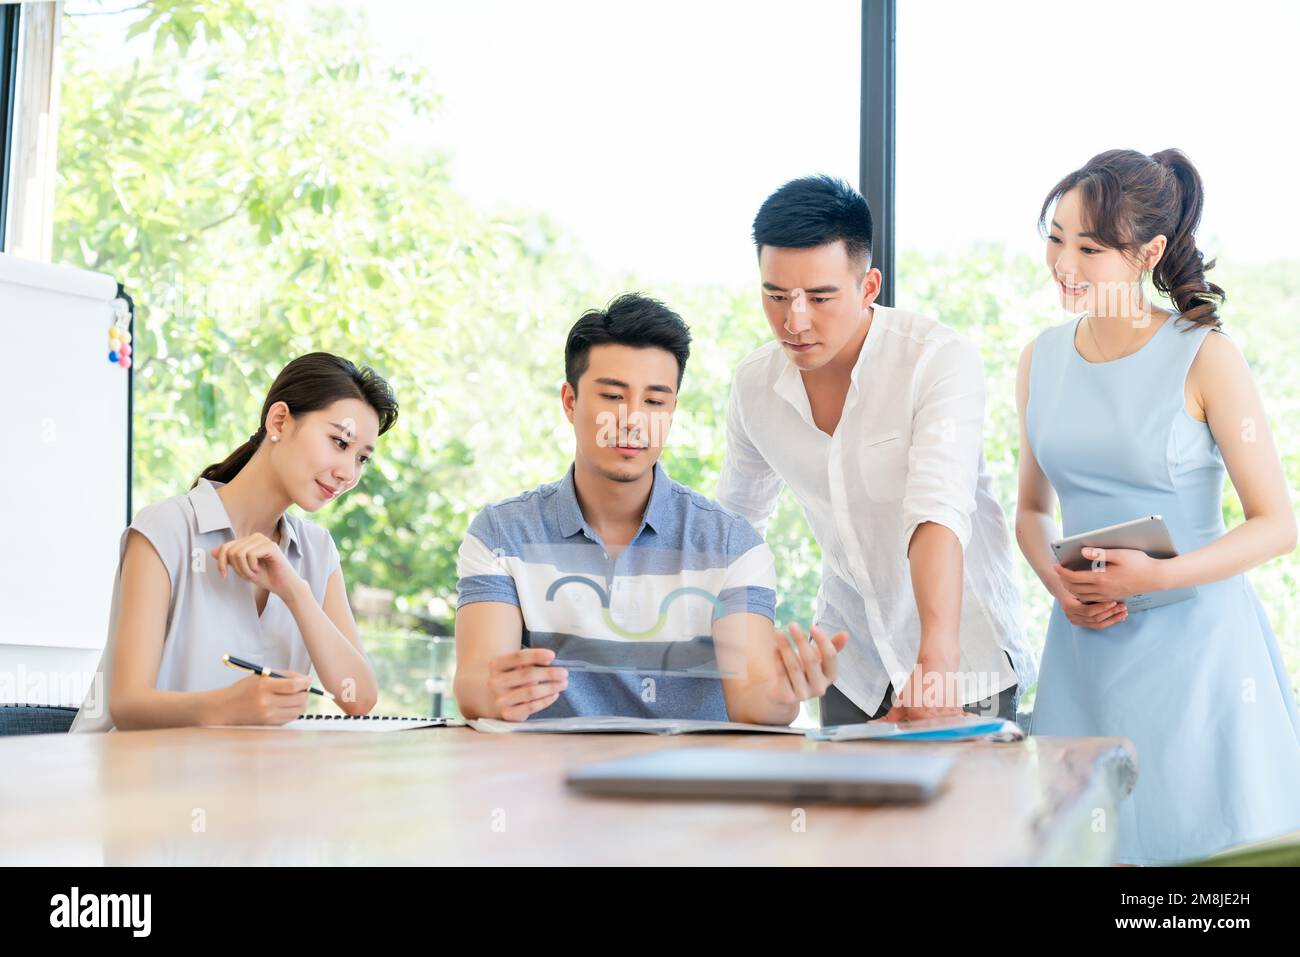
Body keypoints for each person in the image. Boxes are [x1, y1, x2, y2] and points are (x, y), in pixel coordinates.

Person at [1017, 147, 1300, 863]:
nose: (1064, 263)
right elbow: (1030, 511)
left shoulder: (1204, 354)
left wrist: (1159, 577)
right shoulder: (1041, 358)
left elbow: (1277, 523)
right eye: (1056, 238)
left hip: (1200, 659)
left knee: (1200, 882)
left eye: (1090, 247)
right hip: (1083, 653)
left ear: (1148, 252)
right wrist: (1060, 585)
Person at [718, 174, 1035, 726]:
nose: (794, 321)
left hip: (964, 656)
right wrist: (741, 650)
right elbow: (736, 529)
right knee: (845, 811)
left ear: (868, 288)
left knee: (963, 809)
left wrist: (936, 664)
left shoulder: (937, 360)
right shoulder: (753, 385)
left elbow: (937, 509)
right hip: (853, 662)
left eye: (820, 298)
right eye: (775, 296)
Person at [453, 293, 846, 723]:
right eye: (612, 397)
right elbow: (475, 681)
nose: (632, 420)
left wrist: (787, 693)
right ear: (570, 401)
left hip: (686, 784)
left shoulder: (734, 547)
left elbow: (753, 699)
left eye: (655, 402)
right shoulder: (501, 536)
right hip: (549, 781)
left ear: (672, 411)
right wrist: (493, 693)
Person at [72, 352, 398, 731]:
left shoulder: (317, 550)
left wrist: (296, 592)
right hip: (134, 778)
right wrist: (227, 706)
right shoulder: (167, 528)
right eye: (339, 443)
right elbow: (128, 705)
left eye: (362, 459)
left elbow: (358, 698)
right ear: (279, 421)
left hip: (241, 781)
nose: (348, 473)